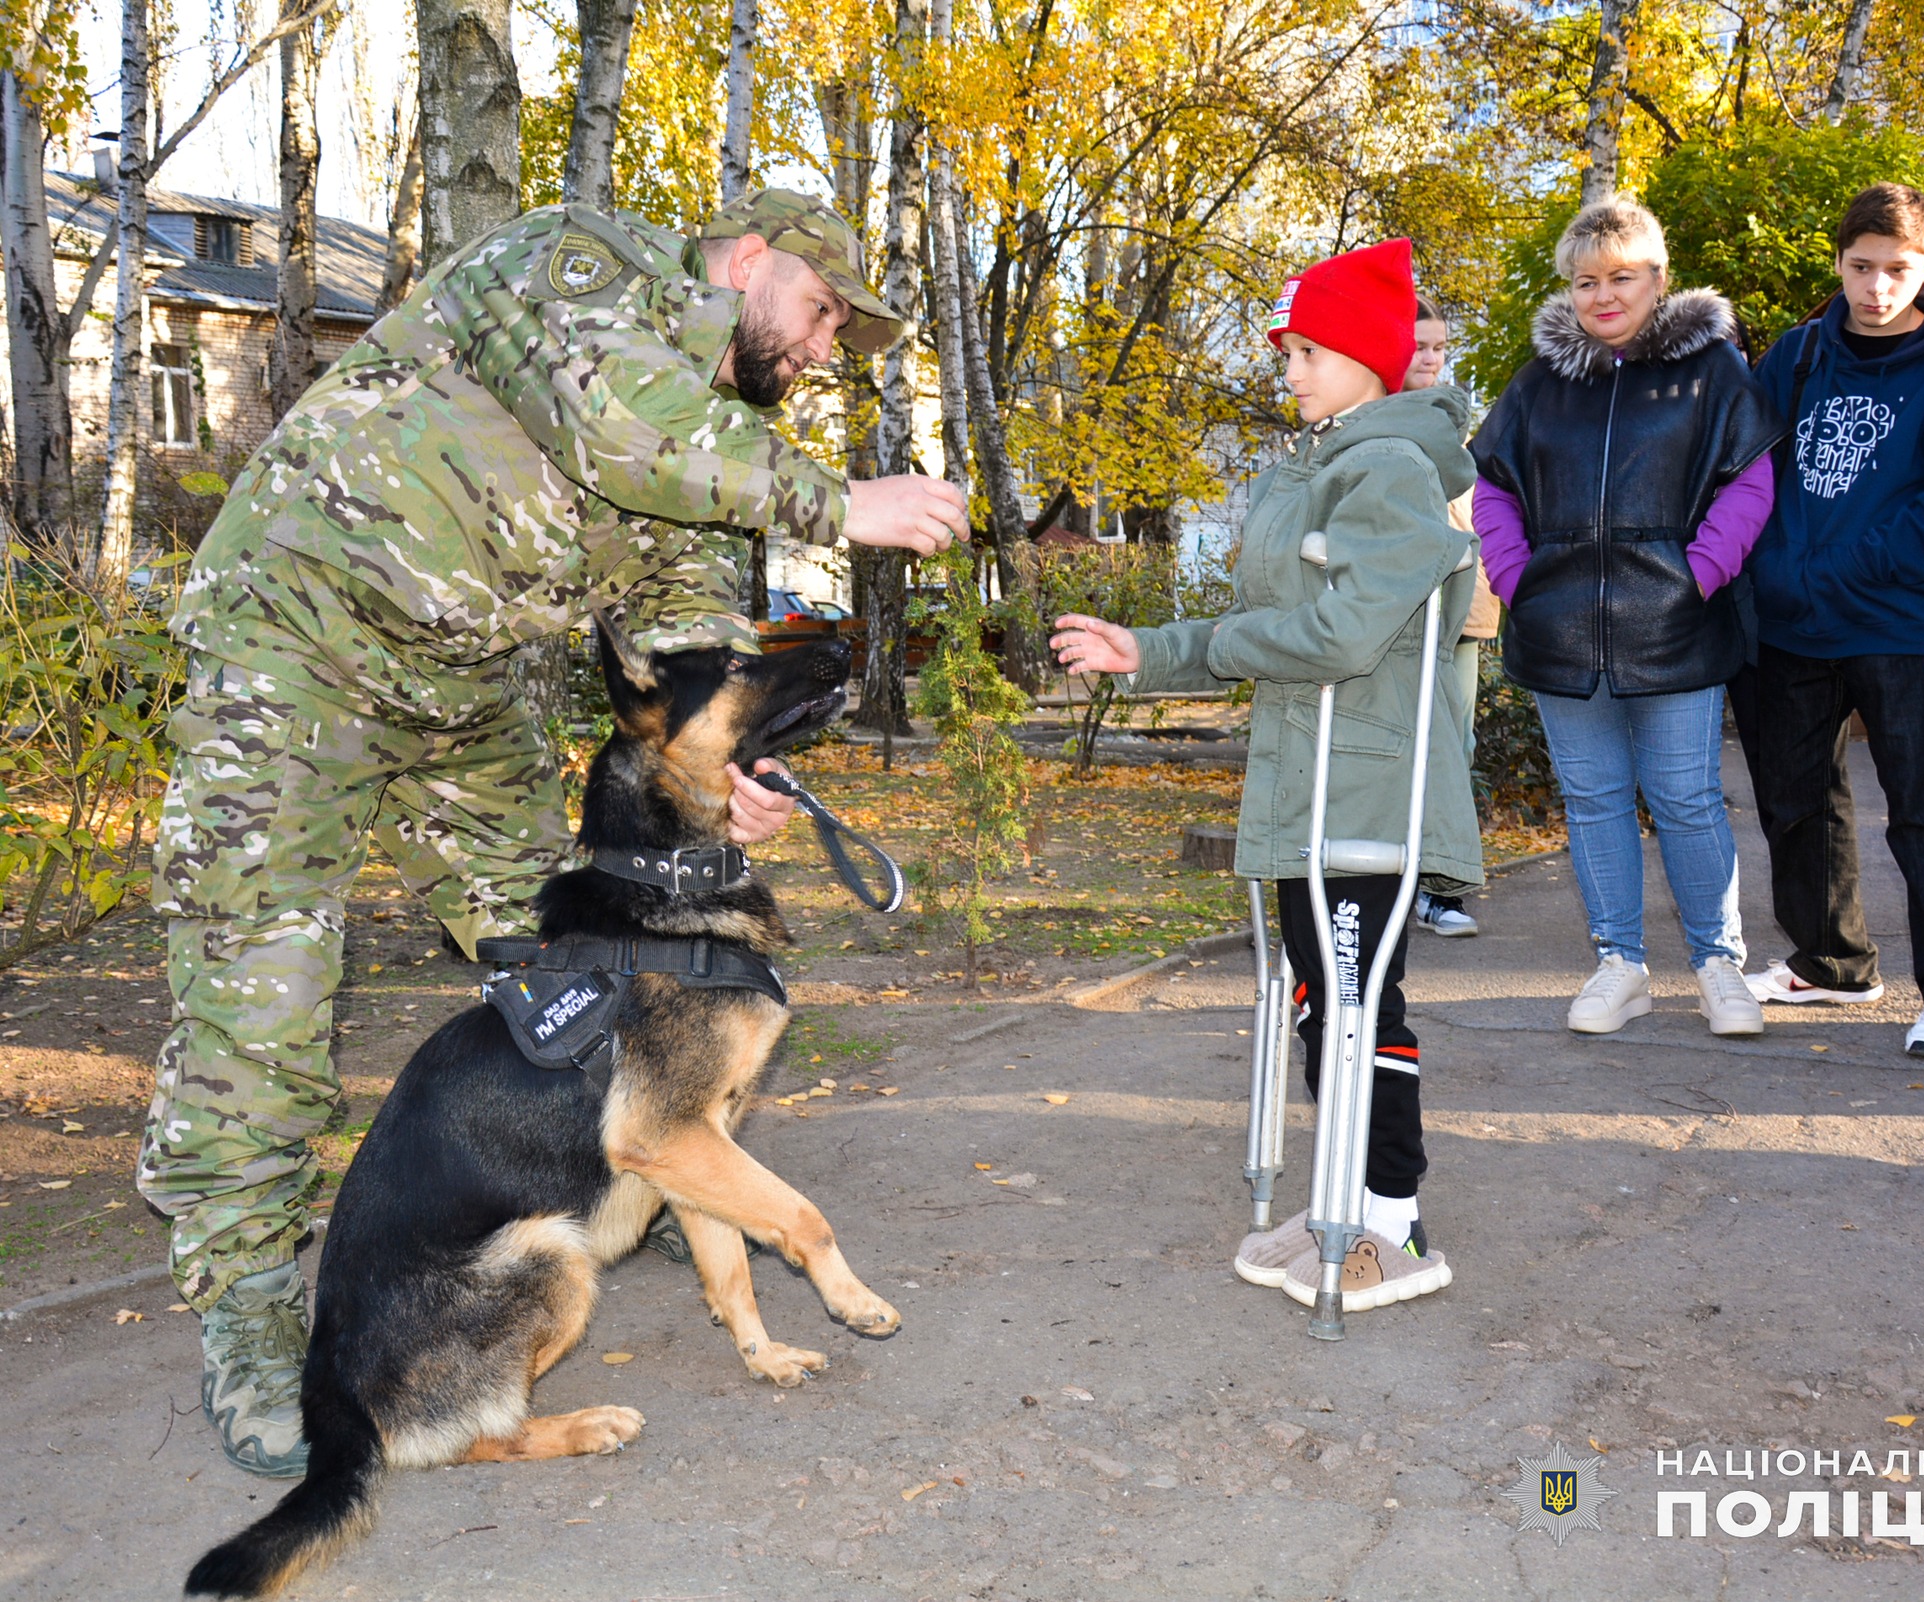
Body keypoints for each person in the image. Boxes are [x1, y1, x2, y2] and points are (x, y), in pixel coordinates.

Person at [140, 188, 966, 1476]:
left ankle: (521, 1249)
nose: (818, 353)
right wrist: (837, 504)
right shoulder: (574, 266)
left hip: (463, 702)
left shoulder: (711, 444)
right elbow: (617, 419)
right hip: (294, 652)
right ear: (750, 260)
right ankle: (251, 1326)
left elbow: (685, 641)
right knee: (266, 999)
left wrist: (729, 779)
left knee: (562, 979)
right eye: (819, 316)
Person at [1052, 238, 1476, 1312]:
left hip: (1364, 786)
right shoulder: (1316, 463)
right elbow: (1260, 625)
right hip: (1305, 781)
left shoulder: (1389, 468)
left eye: (1308, 352)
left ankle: (1391, 1221)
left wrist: (1234, 645)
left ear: (1370, 361)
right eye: (1287, 351)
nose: (1286, 371)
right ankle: (1337, 1194)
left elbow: (1339, 635)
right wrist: (1144, 651)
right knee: (1314, 998)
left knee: (1357, 1002)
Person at [1468, 198, 1782, 1038]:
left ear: (1658, 279)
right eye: (1586, 282)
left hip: (1676, 624)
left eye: (1622, 278)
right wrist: (1514, 576)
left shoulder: (1714, 373)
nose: (1604, 296)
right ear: (1569, 288)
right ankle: (1620, 965)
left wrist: (1698, 575)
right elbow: (1493, 488)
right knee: (1594, 799)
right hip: (1559, 624)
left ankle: (1720, 965)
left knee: (1686, 799)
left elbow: (1749, 484)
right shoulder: (1538, 384)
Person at [1743, 184, 1924, 1058]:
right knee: (1796, 805)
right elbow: (1747, 470)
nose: (1878, 288)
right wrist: (1775, 571)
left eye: (1898, 270)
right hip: (1786, 624)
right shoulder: (1798, 355)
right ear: (1840, 263)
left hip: (1894, 622)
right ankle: (1831, 964)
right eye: (1862, 267)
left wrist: (1836, 566)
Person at [1405, 293, 1496, 938]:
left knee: (1453, 745)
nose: (1432, 359)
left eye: (1440, 347)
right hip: (1400, 614)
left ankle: (1441, 889)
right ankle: (1391, 882)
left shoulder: (1461, 427)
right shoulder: (1374, 420)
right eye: (1420, 347)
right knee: (1399, 747)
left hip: (1464, 612)